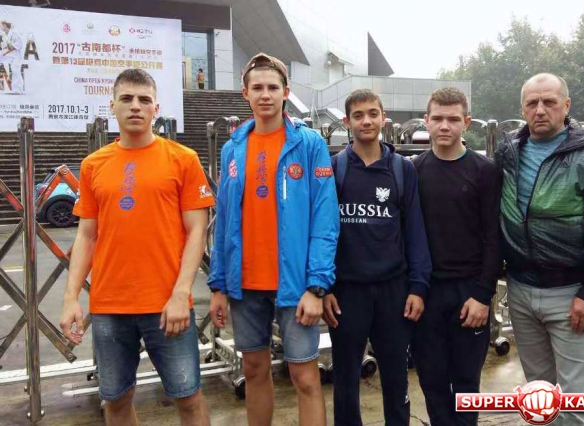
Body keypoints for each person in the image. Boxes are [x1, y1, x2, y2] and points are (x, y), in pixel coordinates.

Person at [59, 69, 212, 426]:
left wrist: (181, 294)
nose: (135, 106)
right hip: (109, 306)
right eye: (126, 99)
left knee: (189, 398)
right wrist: (70, 299)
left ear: (156, 108)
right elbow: (86, 236)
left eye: (144, 100)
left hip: (168, 305)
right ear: (112, 105)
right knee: (115, 400)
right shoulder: (93, 165)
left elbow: (197, 232)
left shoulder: (183, 159)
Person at [208, 52, 339, 426]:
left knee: (305, 377)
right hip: (245, 285)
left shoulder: (308, 144)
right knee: (253, 370)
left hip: (296, 285)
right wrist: (218, 285)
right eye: (257, 88)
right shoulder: (233, 148)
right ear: (245, 93)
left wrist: (317, 286)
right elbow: (224, 220)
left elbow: (325, 219)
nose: (265, 95)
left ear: (286, 92)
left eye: (272, 87)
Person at [495, 73, 584, 425]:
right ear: (523, 109)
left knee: (580, 405)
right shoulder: (508, 152)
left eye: (549, 102)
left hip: (572, 294)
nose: (540, 110)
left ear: (566, 105)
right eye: (532, 103)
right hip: (521, 291)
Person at [322, 89, 431, 426]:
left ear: (384, 118)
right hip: (346, 292)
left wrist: (418, 287)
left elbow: (415, 231)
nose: (366, 121)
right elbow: (323, 233)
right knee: (345, 381)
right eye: (358, 115)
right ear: (347, 122)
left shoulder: (402, 169)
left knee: (396, 378)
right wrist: (324, 288)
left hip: (393, 291)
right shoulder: (335, 168)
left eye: (373, 113)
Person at [410, 87, 502, 426]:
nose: (444, 126)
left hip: (469, 293)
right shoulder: (414, 171)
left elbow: (494, 237)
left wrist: (482, 295)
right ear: (426, 121)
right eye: (437, 118)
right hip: (427, 294)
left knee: (466, 383)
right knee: (432, 381)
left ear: (467, 122)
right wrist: (414, 290)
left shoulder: (485, 171)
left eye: (452, 119)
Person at [0, 21, 24, 94]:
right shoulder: (4, 34)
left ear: (5, 25)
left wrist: (11, 46)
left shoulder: (14, 33)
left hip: (15, 56)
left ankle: (18, 90)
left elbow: (20, 44)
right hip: (8, 54)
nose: (0, 27)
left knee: (15, 70)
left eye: (1, 25)